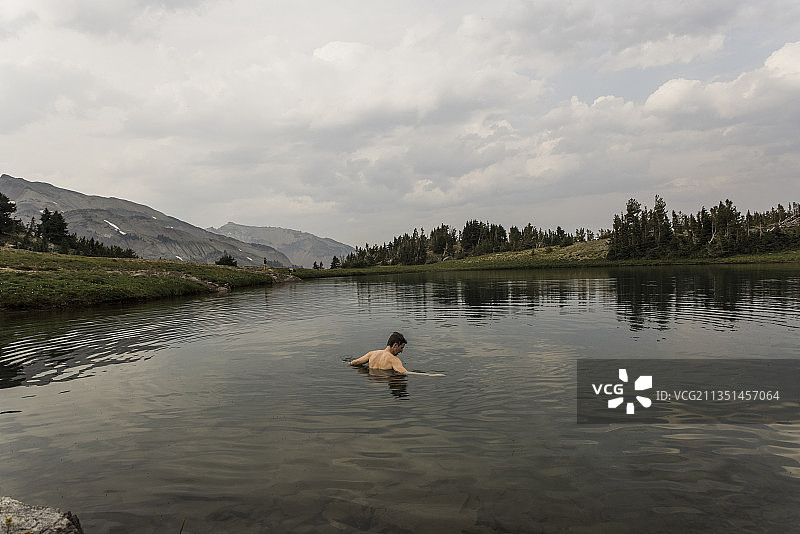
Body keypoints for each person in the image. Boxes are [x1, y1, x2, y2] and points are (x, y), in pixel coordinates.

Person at [348, 332, 444, 376]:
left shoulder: (371, 354)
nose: (401, 351)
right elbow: (405, 372)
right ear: (395, 345)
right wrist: (430, 375)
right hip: (385, 381)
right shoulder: (394, 360)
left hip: (371, 381)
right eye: (401, 348)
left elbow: (354, 362)